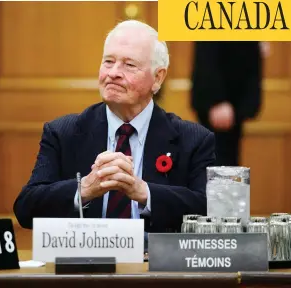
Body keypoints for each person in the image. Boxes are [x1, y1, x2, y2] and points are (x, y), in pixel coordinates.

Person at [13, 20, 216, 234]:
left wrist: (145, 192)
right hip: (86, 262)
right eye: (108, 62)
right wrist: (84, 189)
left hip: (154, 264)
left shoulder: (194, 139)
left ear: (158, 78)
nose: (113, 73)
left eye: (129, 65)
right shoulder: (63, 133)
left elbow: (208, 210)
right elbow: (26, 208)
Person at [191, 41, 263, 166]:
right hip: (221, 105)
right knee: (220, 167)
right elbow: (207, 51)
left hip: (235, 101)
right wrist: (216, 99)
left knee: (229, 164)